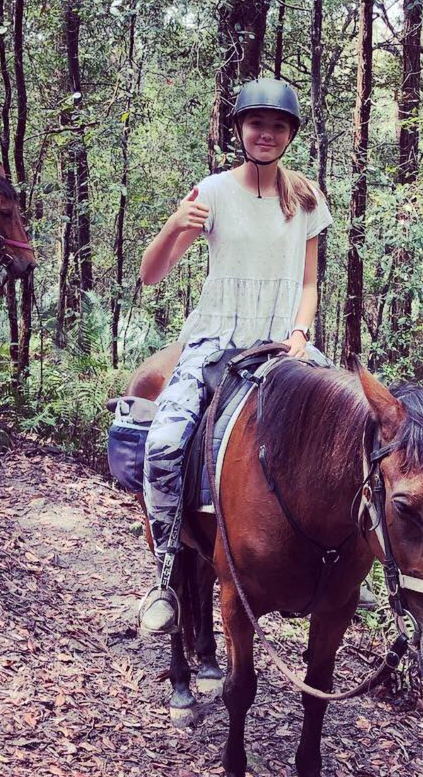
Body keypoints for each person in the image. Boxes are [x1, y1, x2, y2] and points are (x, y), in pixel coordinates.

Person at [138, 79, 333, 634]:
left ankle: (342, 570)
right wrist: (175, 224)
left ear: (290, 134)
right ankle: (165, 569)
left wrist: (301, 330)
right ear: (241, 130)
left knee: (347, 430)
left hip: (281, 341)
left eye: (277, 125)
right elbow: (152, 275)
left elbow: (309, 282)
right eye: (256, 124)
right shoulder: (213, 192)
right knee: (166, 440)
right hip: (216, 340)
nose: (266, 134)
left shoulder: (307, 198)